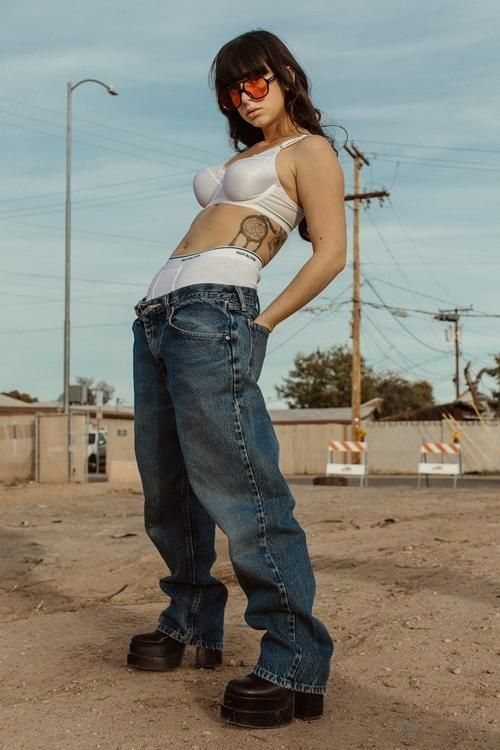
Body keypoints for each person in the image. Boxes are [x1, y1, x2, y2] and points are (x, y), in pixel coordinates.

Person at [128, 29, 347, 729]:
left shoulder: (308, 149)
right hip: (159, 315)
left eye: (256, 82)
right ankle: (191, 621)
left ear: (284, 74)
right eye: (231, 89)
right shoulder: (241, 158)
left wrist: (262, 325)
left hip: (217, 312)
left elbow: (331, 254)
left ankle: (293, 655)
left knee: (241, 485)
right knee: (166, 486)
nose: (244, 97)